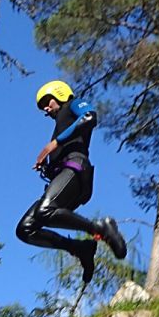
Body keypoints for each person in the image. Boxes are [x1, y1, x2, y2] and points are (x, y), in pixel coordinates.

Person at [16, 80, 126, 284]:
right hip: (62, 176)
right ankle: (81, 248)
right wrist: (48, 166)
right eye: (43, 108)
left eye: (47, 103)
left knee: (44, 211)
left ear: (59, 94)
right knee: (25, 229)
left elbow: (90, 117)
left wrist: (54, 144)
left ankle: (101, 228)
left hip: (76, 168)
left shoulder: (73, 105)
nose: (46, 110)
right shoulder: (61, 124)